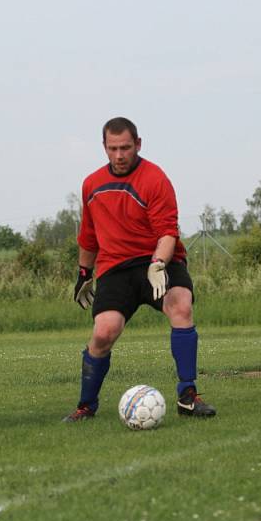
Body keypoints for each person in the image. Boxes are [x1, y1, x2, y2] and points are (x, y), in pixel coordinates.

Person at [63, 117, 216, 422]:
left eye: (126, 148)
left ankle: (188, 396)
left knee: (181, 307)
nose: (119, 155)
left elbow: (168, 232)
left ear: (138, 145)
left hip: (158, 260)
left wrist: (158, 264)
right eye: (113, 148)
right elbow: (89, 236)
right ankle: (85, 407)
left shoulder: (155, 178)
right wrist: (83, 273)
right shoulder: (91, 184)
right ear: (104, 148)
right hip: (116, 268)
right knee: (104, 332)